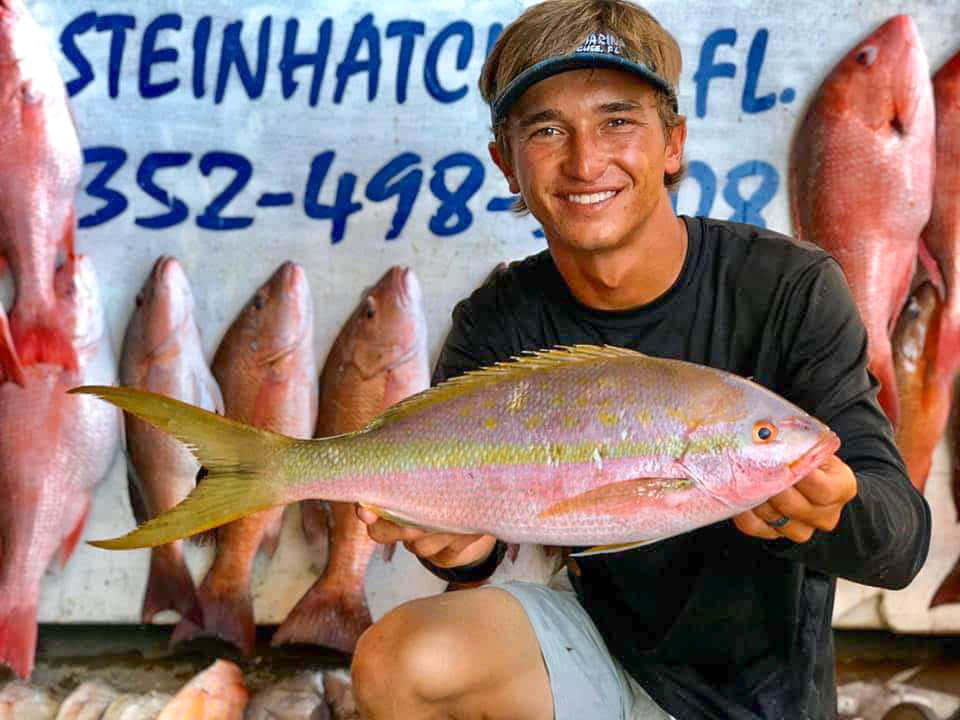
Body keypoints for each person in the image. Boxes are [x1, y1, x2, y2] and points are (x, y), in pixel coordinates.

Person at [350, 1, 931, 718]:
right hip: (589, 660)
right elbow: (480, 557)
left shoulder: (787, 287)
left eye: (618, 120)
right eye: (546, 129)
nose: (585, 160)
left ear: (673, 143)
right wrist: (454, 549)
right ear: (506, 162)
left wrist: (832, 512)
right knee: (397, 659)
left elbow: (902, 543)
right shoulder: (500, 317)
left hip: (764, 701)